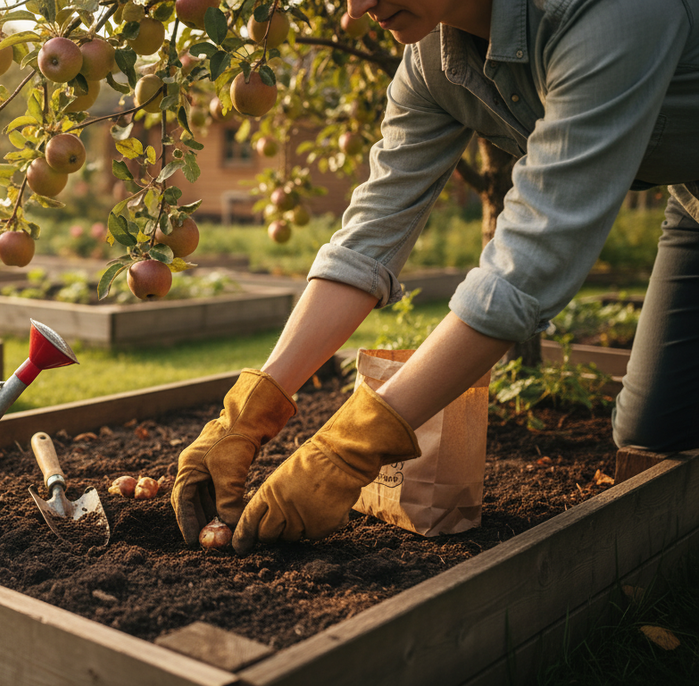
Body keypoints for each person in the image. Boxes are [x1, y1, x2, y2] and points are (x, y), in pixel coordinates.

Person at [172, 0, 699, 554]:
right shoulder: (432, 58)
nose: (358, 8)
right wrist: (245, 414)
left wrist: (354, 445)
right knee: (652, 434)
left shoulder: (608, 12)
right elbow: (370, 235)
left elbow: (528, 264)